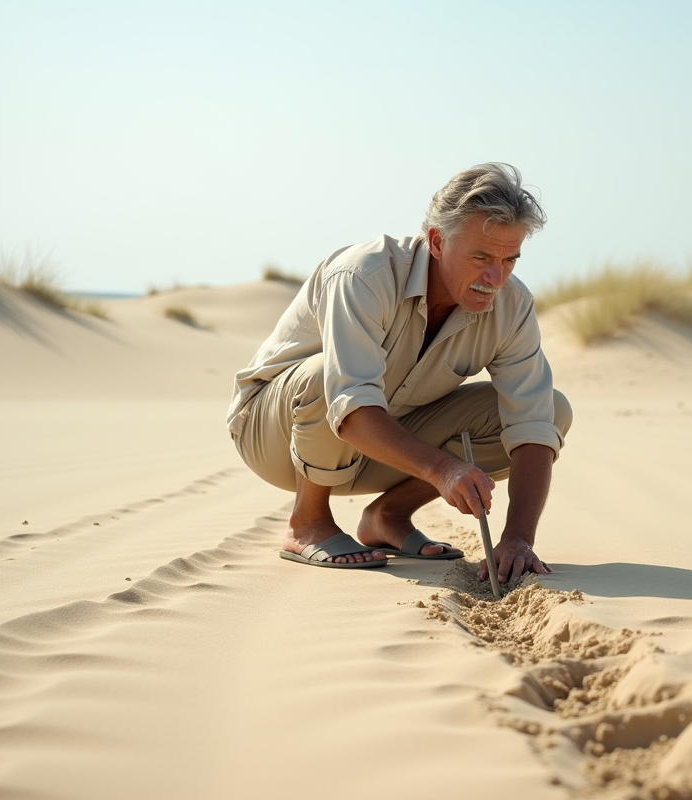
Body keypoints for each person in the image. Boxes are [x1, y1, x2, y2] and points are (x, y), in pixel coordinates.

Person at [225, 163, 571, 584]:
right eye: (481, 257)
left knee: (552, 409)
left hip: (381, 443)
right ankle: (308, 521)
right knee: (323, 375)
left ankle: (388, 516)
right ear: (438, 241)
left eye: (509, 259)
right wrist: (444, 469)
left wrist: (518, 537)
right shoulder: (363, 275)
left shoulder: (512, 306)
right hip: (275, 438)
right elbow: (350, 404)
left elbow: (532, 422)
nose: (495, 278)